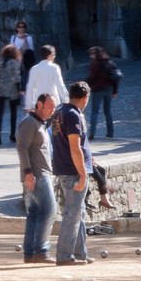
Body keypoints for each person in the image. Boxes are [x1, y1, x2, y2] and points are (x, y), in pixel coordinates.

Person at [51, 82, 93, 266]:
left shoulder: (59, 112)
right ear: (85, 98)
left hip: (64, 169)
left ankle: (80, 253)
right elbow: (75, 147)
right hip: (73, 171)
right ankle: (64, 255)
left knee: (78, 213)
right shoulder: (73, 115)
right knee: (72, 215)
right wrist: (83, 174)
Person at [17, 93, 59, 262]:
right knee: (49, 210)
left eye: (54, 107)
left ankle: (30, 252)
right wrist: (28, 173)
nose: (53, 110)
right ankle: (40, 250)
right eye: (50, 107)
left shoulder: (40, 123)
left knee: (34, 213)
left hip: (40, 174)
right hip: (37, 175)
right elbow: (22, 148)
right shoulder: (29, 123)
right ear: (39, 104)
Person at [0, 45, 23, 145]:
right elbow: (17, 78)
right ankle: (12, 135)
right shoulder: (13, 62)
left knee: (0, 112)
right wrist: (19, 90)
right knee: (13, 112)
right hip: (11, 89)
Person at [85, 47, 121, 139]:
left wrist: (86, 87)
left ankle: (92, 133)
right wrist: (115, 91)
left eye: (92, 54)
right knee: (107, 111)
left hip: (98, 89)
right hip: (109, 89)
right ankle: (110, 132)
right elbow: (115, 78)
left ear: (96, 54)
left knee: (94, 111)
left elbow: (91, 78)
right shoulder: (110, 63)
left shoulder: (95, 64)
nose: (90, 56)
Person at [22, 45, 66, 112]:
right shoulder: (55, 68)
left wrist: (28, 106)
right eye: (54, 55)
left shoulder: (34, 69)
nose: (54, 57)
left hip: (39, 102)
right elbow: (60, 85)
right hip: (53, 101)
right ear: (49, 56)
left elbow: (30, 88)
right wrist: (66, 101)